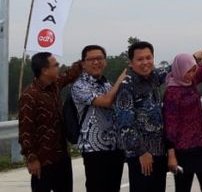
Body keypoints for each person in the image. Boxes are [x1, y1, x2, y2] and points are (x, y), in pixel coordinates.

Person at [18, 52, 82, 192]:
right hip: (43, 161)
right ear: (44, 70)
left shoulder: (54, 86)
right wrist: (31, 157)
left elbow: (70, 75)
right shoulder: (30, 95)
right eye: (55, 65)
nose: (58, 67)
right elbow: (25, 129)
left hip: (62, 157)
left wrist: (86, 60)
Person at [115, 40, 171, 192]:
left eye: (148, 58)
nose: (145, 62)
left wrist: (196, 57)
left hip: (159, 151)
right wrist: (142, 152)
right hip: (141, 155)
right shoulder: (127, 85)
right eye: (140, 59)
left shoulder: (153, 77)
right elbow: (125, 125)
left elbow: (171, 69)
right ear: (131, 63)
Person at [71, 45, 128, 192]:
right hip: (94, 149)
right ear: (83, 63)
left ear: (105, 61)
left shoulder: (106, 84)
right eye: (91, 59)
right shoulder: (79, 86)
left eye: (100, 58)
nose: (96, 62)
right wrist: (121, 80)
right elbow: (106, 101)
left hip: (115, 146)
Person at [163, 50, 202, 192]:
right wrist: (171, 156)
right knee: (182, 188)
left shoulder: (191, 82)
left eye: (193, 70)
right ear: (180, 70)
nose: (192, 75)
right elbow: (169, 125)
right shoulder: (172, 92)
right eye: (188, 71)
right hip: (182, 151)